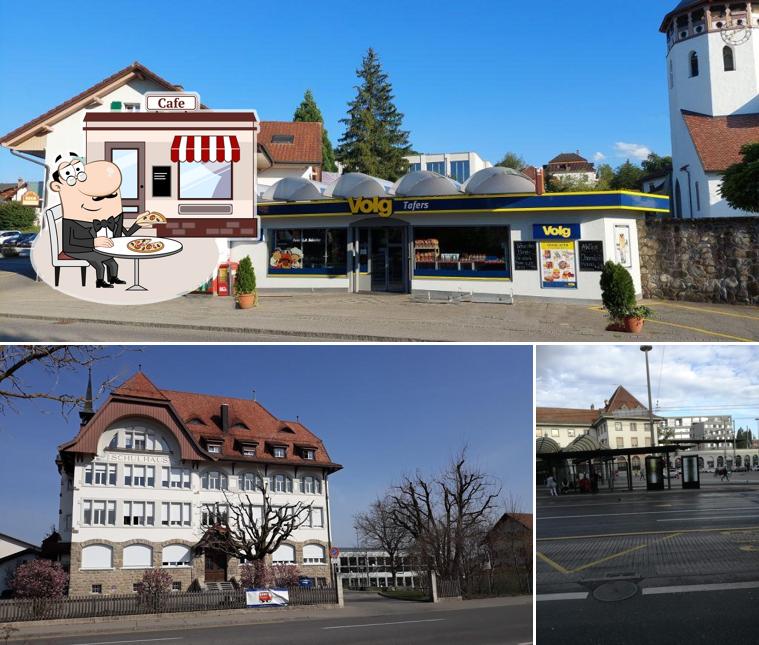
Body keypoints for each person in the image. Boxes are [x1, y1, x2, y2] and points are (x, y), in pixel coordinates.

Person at [49, 153, 154, 288]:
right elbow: (70, 242)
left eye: (112, 195)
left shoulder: (113, 218)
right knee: (99, 262)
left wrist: (138, 224)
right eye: (96, 198)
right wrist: (93, 242)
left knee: (113, 262)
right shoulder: (72, 221)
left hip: (99, 247)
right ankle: (100, 281)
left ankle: (113, 278)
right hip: (77, 249)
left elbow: (125, 235)